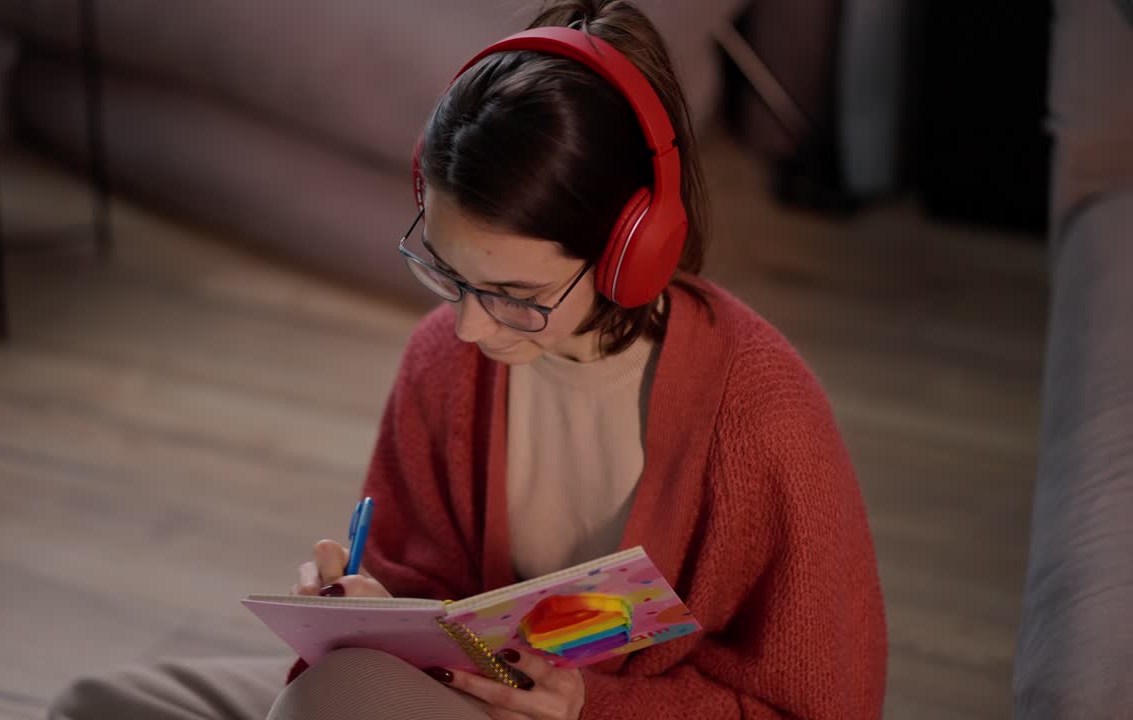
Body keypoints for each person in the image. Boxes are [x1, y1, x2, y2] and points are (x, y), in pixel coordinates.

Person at [49, 1, 887, 718]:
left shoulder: (761, 417)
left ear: (634, 252)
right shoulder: (443, 366)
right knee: (94, 704)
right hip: (447, 697)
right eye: (449, 274)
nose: (468, 333)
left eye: (515, 293)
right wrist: (375, 612)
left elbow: (816, 708)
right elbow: (425, 600)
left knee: (337, 703)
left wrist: (594, 704)